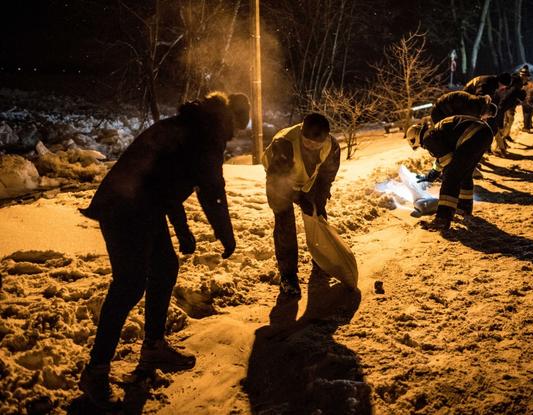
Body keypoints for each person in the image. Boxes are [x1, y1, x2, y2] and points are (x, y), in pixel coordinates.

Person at [77, 92, 250, 409]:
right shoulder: (206, 136)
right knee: (129, 285)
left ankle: (154, 345)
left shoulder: (189, 126)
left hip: (141, 206)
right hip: (126, 209)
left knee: (165, 267)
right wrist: (226, 236)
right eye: (237, 128)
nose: (234, 135)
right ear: (231, 119)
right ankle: (96, 371)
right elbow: (211, 192)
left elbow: (165, 184)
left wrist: (183, 231)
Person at [262, 113, 341, 297]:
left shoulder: (332, 146)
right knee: (285, 223)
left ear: (326, 138)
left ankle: (322, 261)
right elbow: (279, 181)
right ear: (301, 134)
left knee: (318, 215)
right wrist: (299, 196)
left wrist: (317, 202)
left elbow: (326, 177)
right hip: (278, 181)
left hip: (306, 181)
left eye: (316, 144)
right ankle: (288, 277)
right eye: (307, 141)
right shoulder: (285, 143)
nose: (311, 146)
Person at [405, 115, 494, 231]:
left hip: (472, 136)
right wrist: (433, 173)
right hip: (484, 133)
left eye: (418, 146)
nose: (422, 147)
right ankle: (464, 206)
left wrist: (439, 174)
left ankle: (442, 219)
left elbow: (447, 159)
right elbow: (445, 155)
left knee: (451, 176)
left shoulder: (428, 138)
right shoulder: (434, 131)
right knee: (465, 174)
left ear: (415, 139)